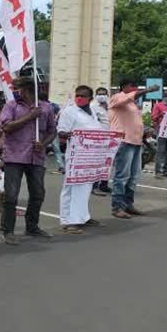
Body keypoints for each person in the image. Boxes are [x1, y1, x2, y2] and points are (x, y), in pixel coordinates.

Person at [0, 77, 56, 245]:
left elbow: (52, 131)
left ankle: (32, 226)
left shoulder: (46, 107)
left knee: (38, 194)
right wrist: (30, 117)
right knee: (11, 195)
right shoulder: (11, 106)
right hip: (14, 156)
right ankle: (8, 231)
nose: (14, 91)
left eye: (16, 88)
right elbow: (6, 127)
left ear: (26, 90)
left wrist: (44, 144)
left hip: (36, 156)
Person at [108, 78, 160, 219]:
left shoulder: (133, 104)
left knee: (134, 175)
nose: (135, 89)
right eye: (133, 86)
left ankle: (128, 204)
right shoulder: (117, 98)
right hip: (124, 141)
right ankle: (117, 207)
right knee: (122, 175)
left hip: (136, 141)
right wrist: (147, 90)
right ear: (124, 86)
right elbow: (131, 97)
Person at [57, 86, 105, 234]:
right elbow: (61, 132)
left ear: (90, 98)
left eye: (82, 96)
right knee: (72, 187)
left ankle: (83, 216)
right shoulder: (69, 112)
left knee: (86, 186)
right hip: (76, 155)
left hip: (91, 155)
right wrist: (72, 135)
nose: (79, 98)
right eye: (77, 95)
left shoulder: (93, 112)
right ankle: (68, 221)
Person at [91, 87, 112, 195]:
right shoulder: (93, 108)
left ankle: (104, 185)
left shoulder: (111, 107)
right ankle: (94, 186)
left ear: (107, 95)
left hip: (111, 139)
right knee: (97, 163)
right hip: (98, 139)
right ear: (95, 95)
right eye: (99, 94)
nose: (101, 96)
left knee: (107, 163)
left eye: (103, 94)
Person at [151, 92, 167, 178]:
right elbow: (153, 117)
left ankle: (165, 170)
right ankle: (158, 171)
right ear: (164, 97)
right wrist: (161, 115)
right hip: (161, 131)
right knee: (160, 151)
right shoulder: (158, 106)